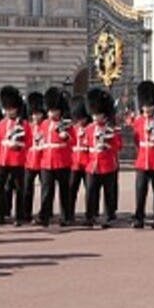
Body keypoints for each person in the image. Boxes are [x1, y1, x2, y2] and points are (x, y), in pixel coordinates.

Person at [131, 80, 154, 229]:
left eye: (150, 105)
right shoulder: (138, 121)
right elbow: (136, 140)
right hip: (142, 161)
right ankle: (139, 218)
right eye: (145, 105)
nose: (147, 108)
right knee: (140, 191)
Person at [83, 87, 122, 228]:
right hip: (93, 165)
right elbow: (85, 146)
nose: (95, 117)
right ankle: (90, 215)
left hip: (108, 164)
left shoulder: (112, 129)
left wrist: (109, 142)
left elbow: (118, 146)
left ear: (104, 114)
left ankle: (108, 216)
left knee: (108, 193)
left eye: (97, 114)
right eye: (93, 114)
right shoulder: (88, 129)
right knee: (91, 192)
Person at [36, 87, 73, 227]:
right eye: (50, 111)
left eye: (55, 111)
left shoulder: (66, 124)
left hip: (62, 162)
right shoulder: (44, 124)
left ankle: (66, 216)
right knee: (46, 191)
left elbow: (73, 140)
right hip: (47, 162)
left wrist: (65, 137)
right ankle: (44, 216)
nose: (52, 113)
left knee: (64, 191)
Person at [0, 86, 27, 227]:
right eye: (7, 109)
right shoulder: (1, 124)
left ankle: (19, 216)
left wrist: (18, 145)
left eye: (11, 108)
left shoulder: (23, 124)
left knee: (19, 189)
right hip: (2, 160)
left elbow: (28, 142)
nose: (9, 111)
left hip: (17, 160)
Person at [62, 96, 91, 227]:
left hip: (88, 163)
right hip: (74, 164)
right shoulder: (71, 128)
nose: (80, 121)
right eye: (77, 119)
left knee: (90, 191)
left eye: (82, 118)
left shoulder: (90, 128)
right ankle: (68, 215)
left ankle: (90, 215)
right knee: (71, 191)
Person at [20, 91, 45, 226]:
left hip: (43, 162)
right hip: (29, 161)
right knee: (27, 189)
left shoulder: (45, 125)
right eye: (33, 114)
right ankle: (26, 214)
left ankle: (44, 213)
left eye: (38, 114)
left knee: (45, 190)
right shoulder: (27, 126)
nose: (35, 116)